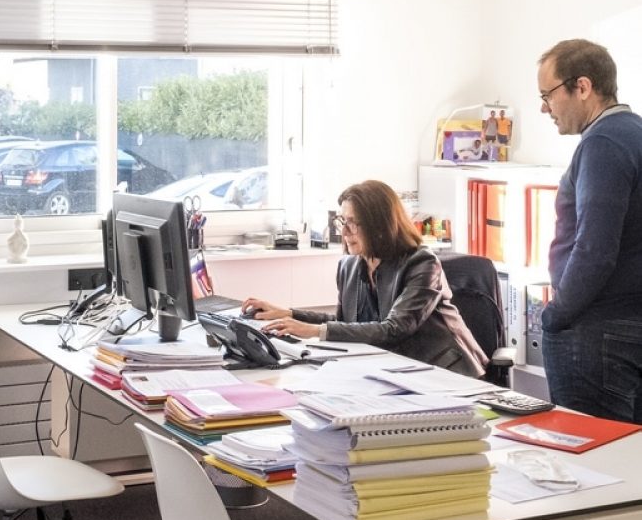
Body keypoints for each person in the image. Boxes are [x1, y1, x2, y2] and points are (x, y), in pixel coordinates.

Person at [242, 180, 487, 376]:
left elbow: (394, 329)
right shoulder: (350, 266)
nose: (344, 232)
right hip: (392, 370)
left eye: (353, 223)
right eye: (342, 222)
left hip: (445, 373)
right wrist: (289, 314)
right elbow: (345, 321)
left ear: (380, 226)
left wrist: (313, 330)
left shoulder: (421, 263)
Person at [537, 38, 642, 422]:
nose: (544, 107)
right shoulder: (635, 134)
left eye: (548, 94)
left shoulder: (603, 142)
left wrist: (555, 316)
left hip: (596, 335)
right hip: (628, 326)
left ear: (582, 87)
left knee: (593, 469)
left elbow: (595, 249)